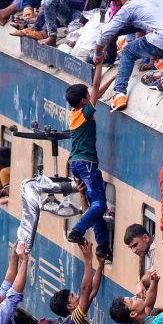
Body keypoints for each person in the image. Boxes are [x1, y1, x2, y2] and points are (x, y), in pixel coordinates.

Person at [64, 65, 113, 255]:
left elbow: (96, 93)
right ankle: (78, 229)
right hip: (86, 164)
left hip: (76, 163)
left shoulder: (76, 113)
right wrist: (99, 64)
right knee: (99, 204)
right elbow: (96, 85)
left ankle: (102, 246)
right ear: (84, 100)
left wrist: (114, 78)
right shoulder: (85, 114)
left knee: (96, 206)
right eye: (88, 95)